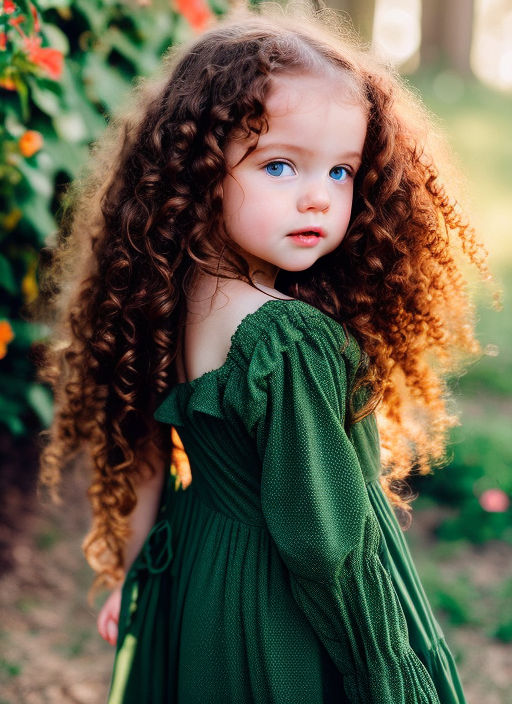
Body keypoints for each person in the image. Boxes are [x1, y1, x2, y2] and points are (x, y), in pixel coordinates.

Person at [37, 5, 498, 703]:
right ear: (200, 173)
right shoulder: (287, 341)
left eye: (342, 172)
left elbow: (144, 452)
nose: (318, 198)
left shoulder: (171, 297)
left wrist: (134, 577)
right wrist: (389, 668)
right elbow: (326, 544)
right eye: (279, 166)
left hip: (202, 573)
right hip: (282, 609)